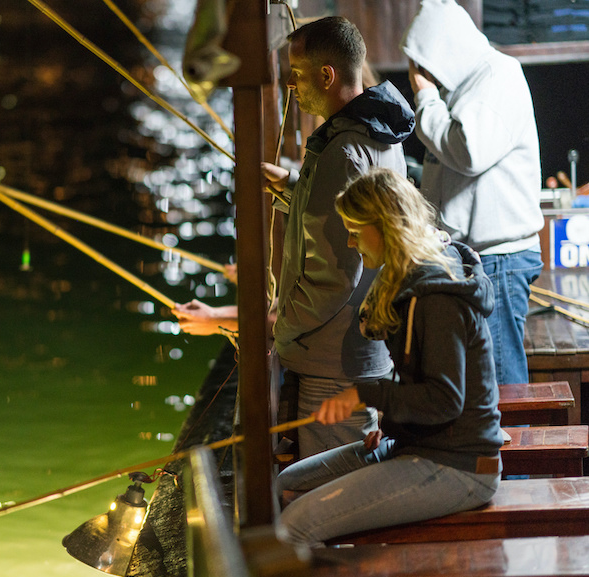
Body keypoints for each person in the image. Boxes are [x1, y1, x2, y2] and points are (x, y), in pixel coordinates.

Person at [176, 16, 415, 458]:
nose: (289, 83)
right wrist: (293, 186)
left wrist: (279, 329)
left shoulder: (343, 151)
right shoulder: (380, 134)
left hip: (332, 358)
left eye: (298, 73)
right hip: (361, 346)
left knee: (336, 489)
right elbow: (350, 215)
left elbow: (334, 278)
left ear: (327, 76)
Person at [275, 168, 503, 546]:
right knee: (287, 483)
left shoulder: (436, 297)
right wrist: (396, 423)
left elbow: (445, 400)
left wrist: (365, 394)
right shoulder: (408, 277)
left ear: (385, 226)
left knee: (294, 524)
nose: (350, 243)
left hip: (460, 465)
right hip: (418, 444)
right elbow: (422, 382)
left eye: (354, 230)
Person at [401, 0, 544, 384]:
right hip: (477, 258)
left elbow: (467, 152)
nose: (422, 75)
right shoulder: (468, 83)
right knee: (483, 381)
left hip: (498, 260)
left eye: (424, 65)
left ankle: (510, 447)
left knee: (498, 383)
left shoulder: (499, 76)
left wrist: (425, 97)